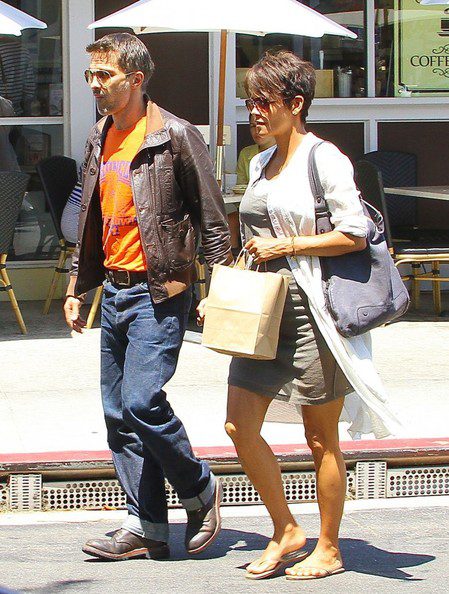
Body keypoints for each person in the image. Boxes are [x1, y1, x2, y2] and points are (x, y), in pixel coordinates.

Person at [199, 50, 399, 581]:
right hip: (263, 314)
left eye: (264, 102)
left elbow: (353, 234)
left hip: (313, 314)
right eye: (250, 102)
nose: (254, 112)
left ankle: (329, 547)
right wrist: (222, 292)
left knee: (319, 438)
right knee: (239, 426)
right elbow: (253, 242)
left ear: (296, 104)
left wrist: (286, 246)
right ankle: (286, 528)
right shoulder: (259, 163)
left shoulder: (324, 158)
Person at [63, 33, 232, 561]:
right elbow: (91, 217)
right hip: (114, 290)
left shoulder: (175, 136)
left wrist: (219, 288)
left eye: (105, 75)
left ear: (135, 79)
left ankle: (199, 486)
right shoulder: (100, 135)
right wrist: (77, 285)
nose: (95, 84)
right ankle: (146, 526)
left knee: (141, 402)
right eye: (91, 75)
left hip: (159, 292)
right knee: (118, 413)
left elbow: (213, 218)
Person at [236, 113, 275, 186]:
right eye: (253, 126)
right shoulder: (246, 153)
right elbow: (241, 186)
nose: (257, 130)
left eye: (262, 124)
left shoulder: (286, 151)